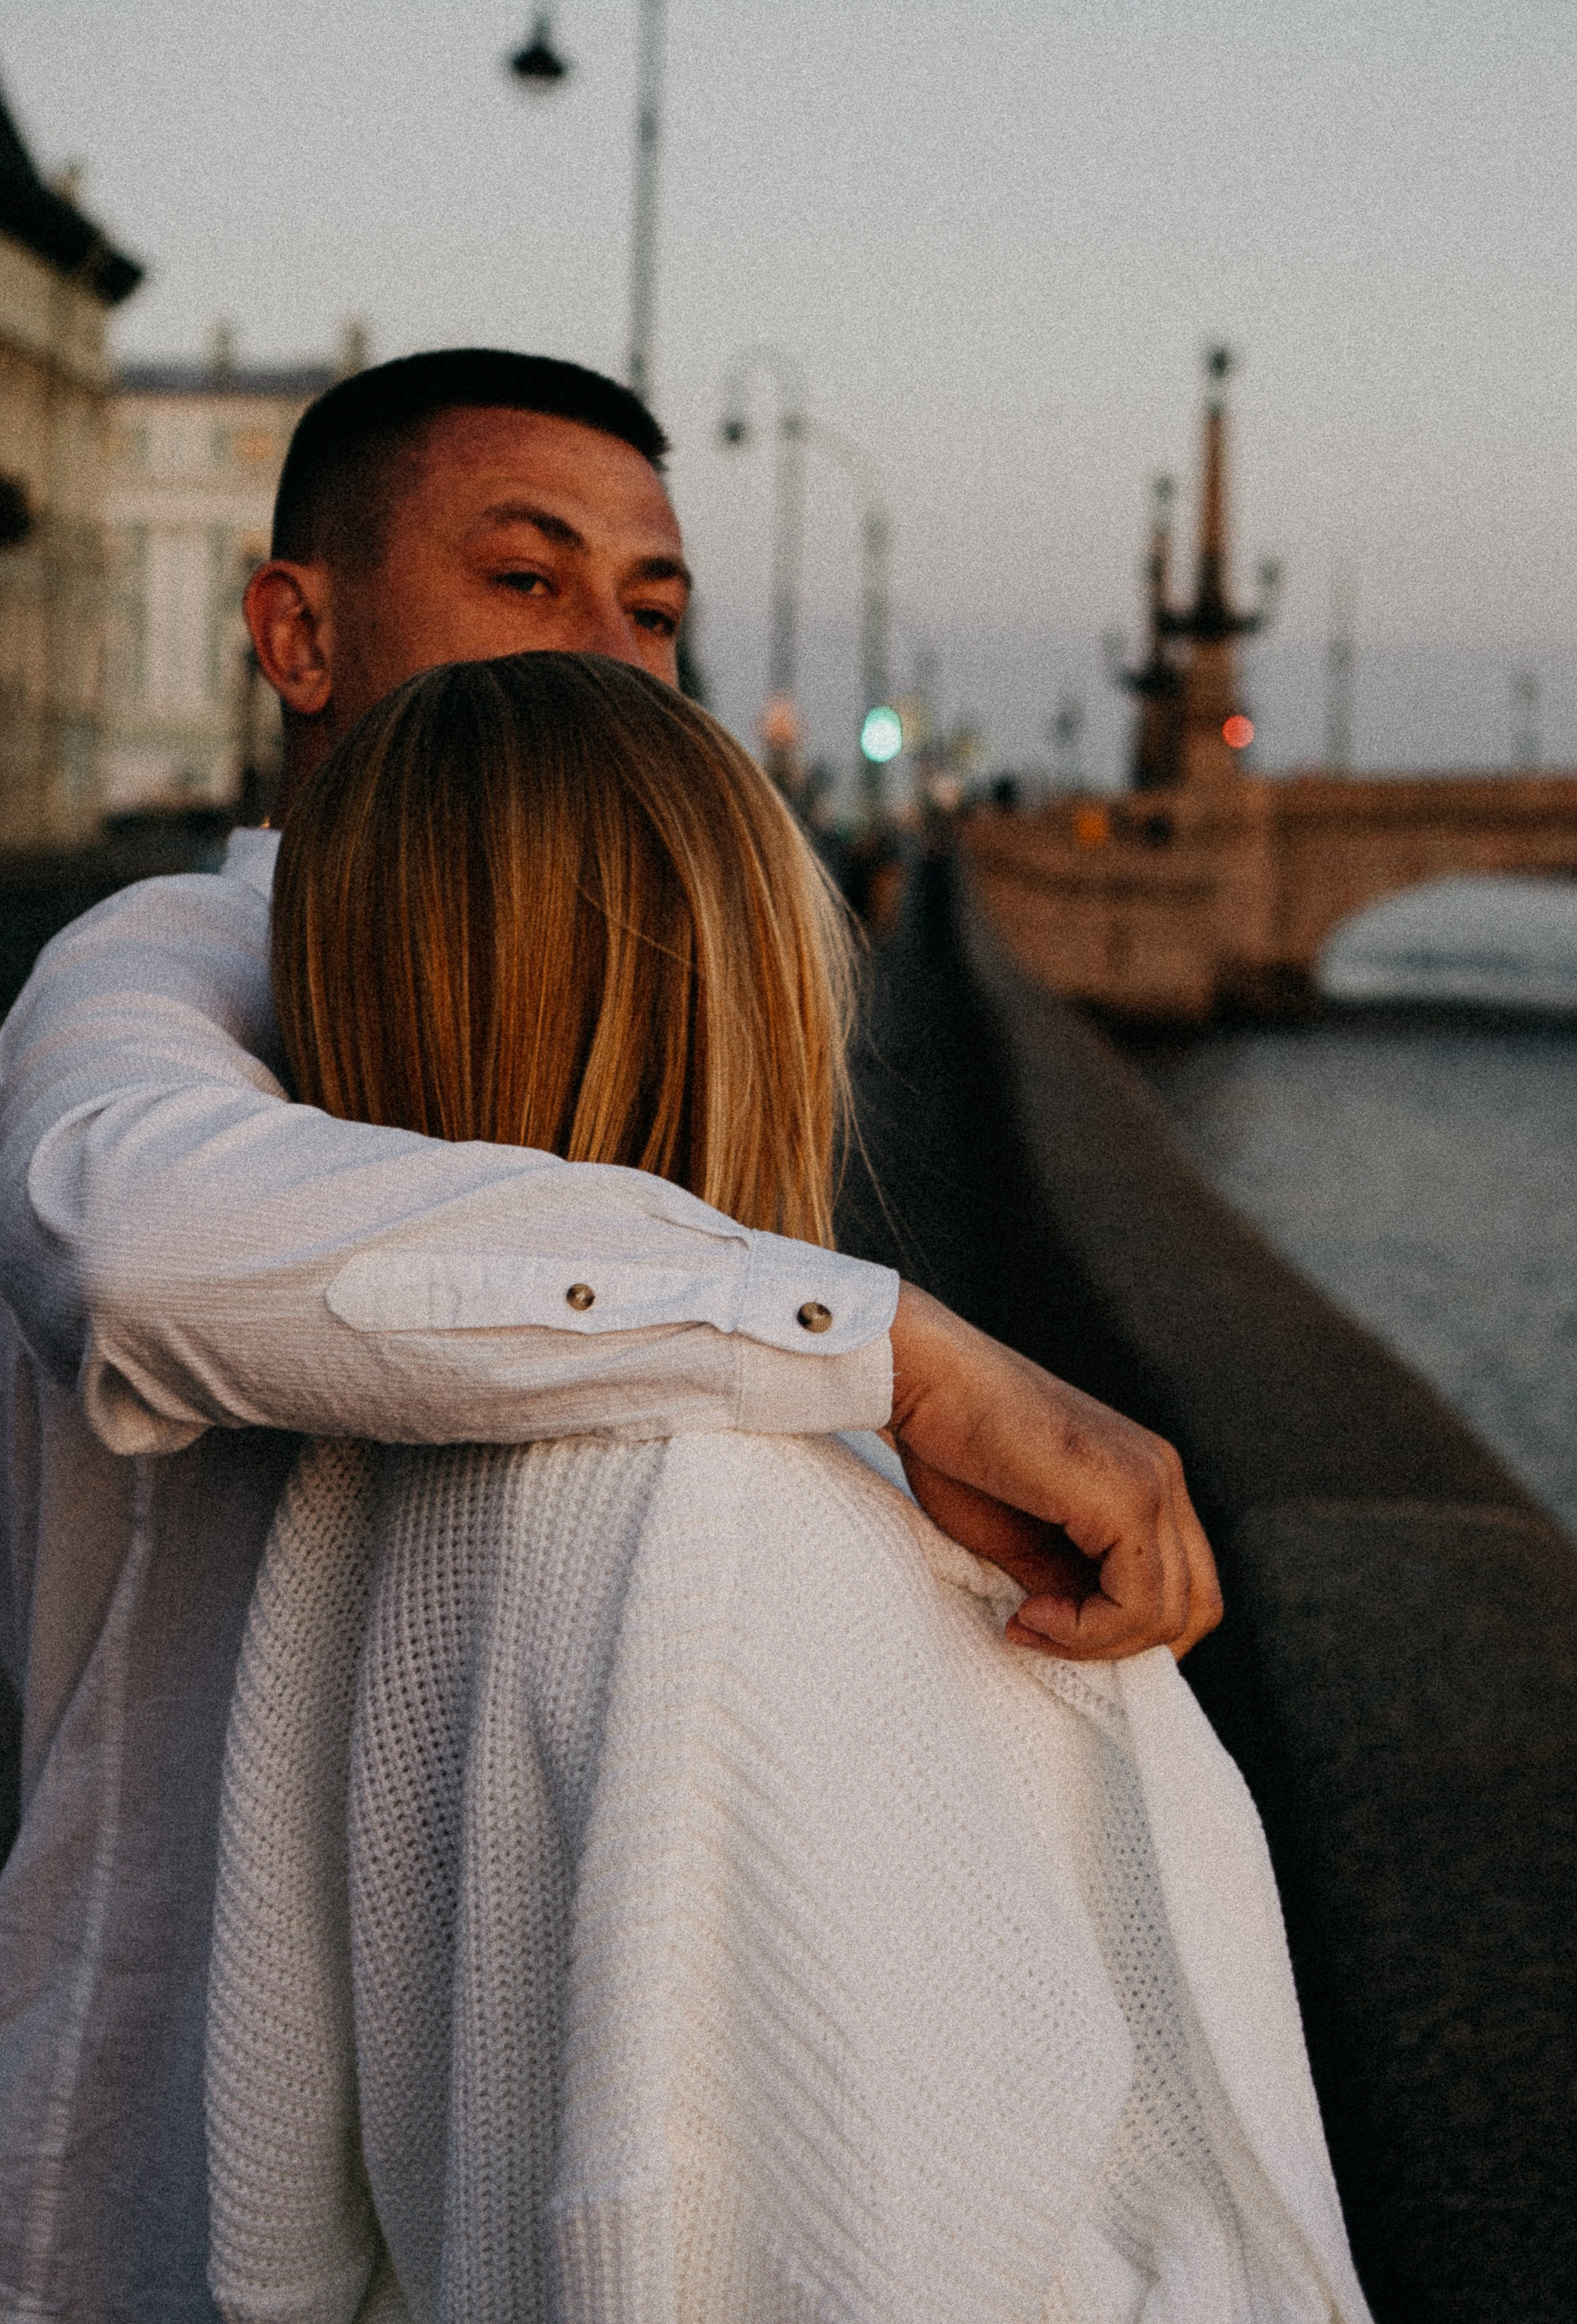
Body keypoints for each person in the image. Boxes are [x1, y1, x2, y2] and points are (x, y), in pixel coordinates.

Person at [0, 350, 1220, 2323]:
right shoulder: (176, 968)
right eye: (526, 577)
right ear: (296, 633)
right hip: (146, 2171)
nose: (609, 651)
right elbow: (137, 1247)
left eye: (652, 609)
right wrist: (893, 1346)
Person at [206, 651, 1367, 2324]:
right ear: (736, 986)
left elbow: (276, 2206)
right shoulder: (729, 1538)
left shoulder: (331, 1493)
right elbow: (855, 2243)